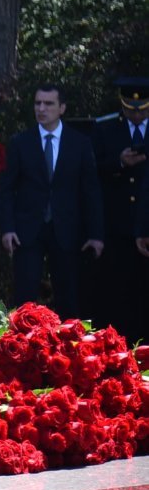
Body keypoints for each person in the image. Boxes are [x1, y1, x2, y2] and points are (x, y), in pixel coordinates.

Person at [0, 84, 103, 318]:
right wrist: (8, 229)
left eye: (48, 104)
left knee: (69, 296)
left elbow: (90, 191)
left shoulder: (79, 143)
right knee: (25, 298)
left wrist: (96, 234)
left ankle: (71, 350)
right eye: (37, 103)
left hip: (67, 229)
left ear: (62, 108)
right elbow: (5, 189)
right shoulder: (20, 142)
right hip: (27, 231)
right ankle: (23, 350)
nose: (42, 109)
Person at [91, 76, 149, 342]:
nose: (136, 113)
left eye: (142, 108)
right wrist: (120, 163)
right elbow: (92, 171)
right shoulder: (106, 129)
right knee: (119, 295)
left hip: (146, 224)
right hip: (118, 225)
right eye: (130, 108)